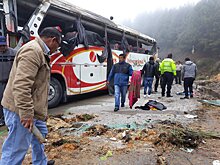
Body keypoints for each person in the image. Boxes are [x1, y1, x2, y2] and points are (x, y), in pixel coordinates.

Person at [0, 27, 62, 165]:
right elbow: (21, 85)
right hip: (19, 109)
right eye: (58, 45)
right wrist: (26, 114)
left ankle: (40, 162)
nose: (57, 49)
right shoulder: (33, 51)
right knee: (16, 147)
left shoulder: (40, 51)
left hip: (33, 109)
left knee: (41, 134)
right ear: (53, 40)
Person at [0, 36, 16, 126]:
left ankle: (9, 121)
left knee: (9, 102)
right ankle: (2, 119)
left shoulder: (13, 53)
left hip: (9, 82)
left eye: (3, 46)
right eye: (0, 46)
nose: (2, 48)